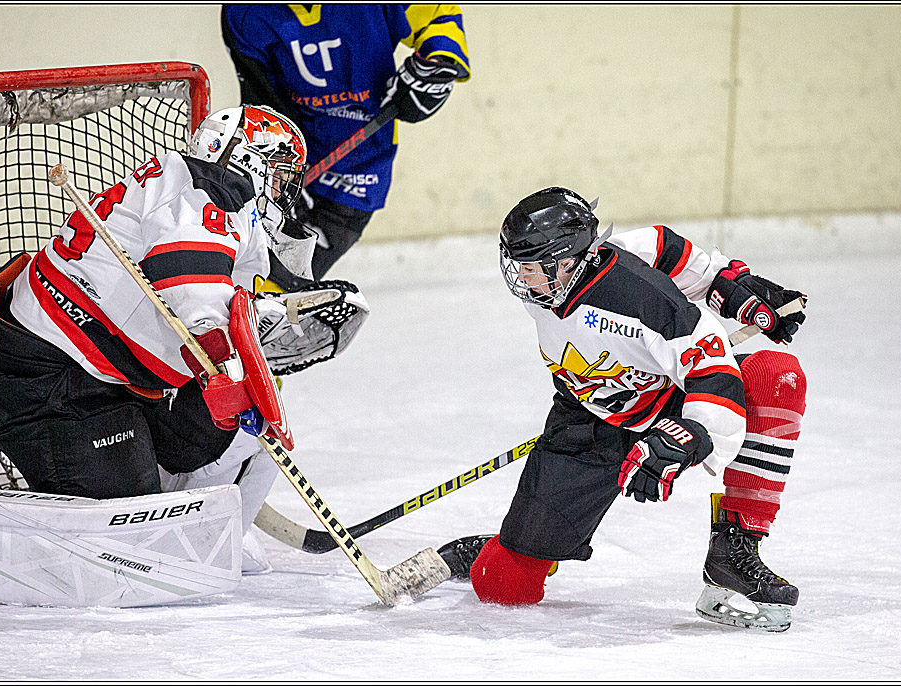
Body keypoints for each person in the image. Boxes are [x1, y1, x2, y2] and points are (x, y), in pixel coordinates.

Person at [0, 105, 323, 570]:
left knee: (253, 421)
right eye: (279, 175)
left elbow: (234, 294)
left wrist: (284, 318)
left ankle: (201, 541)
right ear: (247, 158)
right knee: (120, 545)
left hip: (109, 381)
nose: (282, 193)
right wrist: (241, 340)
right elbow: (193, 287)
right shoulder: (202, 193)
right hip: (44, 381)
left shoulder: (224, 206)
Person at [437, 187, 808, 632]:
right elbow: (661, 245)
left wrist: (691, 438)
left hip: (672, 405)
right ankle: (504, 546)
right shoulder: (567, 275)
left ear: (568, 261)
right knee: (504, 585)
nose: (522, 279)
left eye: (531, 268)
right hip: (588, 420)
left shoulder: (646, 304)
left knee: (775, 375)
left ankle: (734, 548)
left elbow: (715, 377)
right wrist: (728, 284)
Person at [220, 4, 471, 291]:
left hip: (359, 170)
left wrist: (439, 62)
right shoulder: (245, 13)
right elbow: (261, 103)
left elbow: (438, 15)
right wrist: (274, 173)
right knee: (244, 282)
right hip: (289, 166)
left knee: (277, 289)